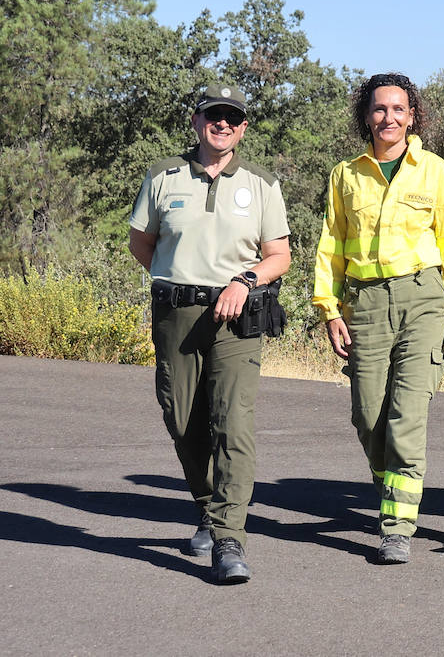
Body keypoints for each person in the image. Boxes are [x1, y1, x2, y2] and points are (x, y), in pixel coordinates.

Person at [128, 84, 291, 584]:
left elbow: (279, 255)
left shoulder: (261, 184)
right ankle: (208, 505)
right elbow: (141, 243)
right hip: (176, 313)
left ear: (242, 129)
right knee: (181, 419)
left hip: (236, 316)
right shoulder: (163, 175)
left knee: (232, 422)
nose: (222, 124)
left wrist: (245, 281)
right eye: (213, 115)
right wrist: (179, 282)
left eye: (232, 118)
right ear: (197, 122)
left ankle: (228, 538)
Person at [313, 72, 444, 565]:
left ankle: (397, 527)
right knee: (368, 417)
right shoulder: (346, 175)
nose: (389, 117)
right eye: (380, 109)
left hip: (423, 298)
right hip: (363, 304)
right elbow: (330, 245)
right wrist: (329, 309)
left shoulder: (435, 171)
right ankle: (392, 490)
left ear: (412, 116)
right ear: (366, 116)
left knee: (407, 416)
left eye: (398, 109)